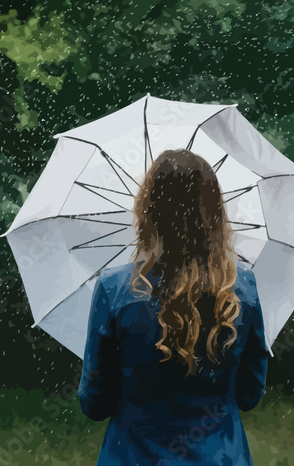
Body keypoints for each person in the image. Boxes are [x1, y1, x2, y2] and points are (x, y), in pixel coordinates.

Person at [77, 148, 270, 465]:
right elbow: (249, 395)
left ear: (148, 212)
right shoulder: (242, 289)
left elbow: (94, 405)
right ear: (214, 214)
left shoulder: (113, 290)